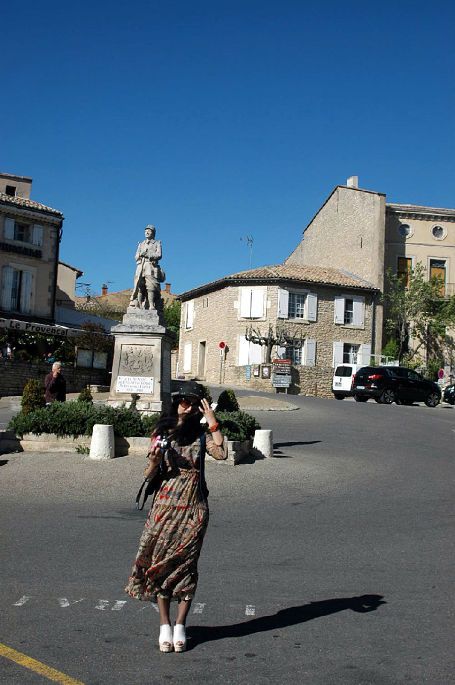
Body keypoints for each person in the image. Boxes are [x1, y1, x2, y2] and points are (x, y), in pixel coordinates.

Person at [125, 382, 226, 653]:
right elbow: (148, 474)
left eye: (193, 404)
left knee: (187, 565)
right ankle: (164, 625)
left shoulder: (201, 434)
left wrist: (213, 422)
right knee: (159, 564)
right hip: (164, 507)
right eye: (184, 402)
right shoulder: (161, 432)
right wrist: (155, 461)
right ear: (176, 402)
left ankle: (181, 624)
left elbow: (222, 453)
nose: (188, 407)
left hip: (194, 507)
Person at [130, 225, 164, 310]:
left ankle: (151, 305)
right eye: (145, 231)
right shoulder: (141, 244)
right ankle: (138, 304)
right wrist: (139, 257)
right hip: (141, 266)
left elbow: (159, 255)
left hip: (150, 266)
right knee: (139, 285)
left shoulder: (157, 243)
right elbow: (136, 255)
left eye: (149, 231)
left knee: (150, 285)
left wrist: (148, 255)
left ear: (153, 233)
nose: (147, 232)